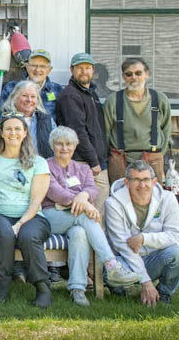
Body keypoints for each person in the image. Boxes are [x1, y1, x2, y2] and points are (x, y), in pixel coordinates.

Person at [42, 126, 139, 306]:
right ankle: (111, 265)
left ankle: (77, 289)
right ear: (52, 146)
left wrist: (84, 197)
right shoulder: (45, 166)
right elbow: (55, 192)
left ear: (75, 146)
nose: (64, 148)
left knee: (80, 233)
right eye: (59, 144)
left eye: (68, 144)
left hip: (76, 219)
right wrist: (85, 203)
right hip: (51, 216)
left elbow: (92, 189)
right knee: (85, 218)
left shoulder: (83, 168)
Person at [0, 111, 52, 308]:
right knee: (4, 234)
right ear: (2, 133)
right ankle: (1, 287)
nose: (13, 133)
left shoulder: (39, 163)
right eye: (9, 129)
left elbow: (36, 201)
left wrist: (21, 223)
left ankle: (43, 288)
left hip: (32, 216)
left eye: (17, 129)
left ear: (24, 133)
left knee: (28, 236)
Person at [105, 160, 179, 306]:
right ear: (127, 182)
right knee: (109, 268)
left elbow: (176, 235)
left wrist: (144, 239)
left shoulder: (168, 198)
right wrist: (146, 281)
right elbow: (122, 246)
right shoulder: (113, 203)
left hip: (155, 258)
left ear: (154, 181)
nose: (142, 185)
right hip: (125, 261)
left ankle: (164, 292)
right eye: (136, 180)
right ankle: (117, 289)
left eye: (146, 180)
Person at [55, 53, 110, 218]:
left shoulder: (90, 94)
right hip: (84, 162)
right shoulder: (70, 95)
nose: (83, 71)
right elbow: (78, 132)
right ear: (72, 70)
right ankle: (94, 242)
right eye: (79, 68)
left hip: (97, 160)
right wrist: (94, 161)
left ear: (93, 71)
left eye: (87, 68)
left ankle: (97, 240)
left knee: (98, 208)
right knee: (93, 210)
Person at [104, 57, 172, 183]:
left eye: (138, 73)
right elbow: (106, 133)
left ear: (147, 74)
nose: (133, 77)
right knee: (120, 197)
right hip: (120, 159)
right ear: (123, 77)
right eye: (129, 74)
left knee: (153, 198)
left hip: (153, 158)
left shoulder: (160, 99)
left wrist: (159, 154)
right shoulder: (113, 101)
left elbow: (166, 129)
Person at [0, 80, 56, 162]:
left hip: (39, 171)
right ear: (14, 98)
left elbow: (58, 147)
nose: (29, 100)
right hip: (6, 170)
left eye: (33, 97)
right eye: (25, 95)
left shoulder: (47, 121)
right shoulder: (1, 120)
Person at [0, 48, 63, 121]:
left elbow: (61, 120)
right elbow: (2, 116)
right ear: (27, 67)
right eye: (34, 65)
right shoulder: (11, 87)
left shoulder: (57, 89)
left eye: (42, 66)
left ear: (49, 70)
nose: (37, 70)